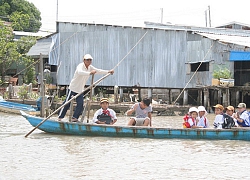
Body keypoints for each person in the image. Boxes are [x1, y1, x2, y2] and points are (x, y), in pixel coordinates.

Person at [58, 54, 114, 122]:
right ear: (84, 60)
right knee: (67, 103)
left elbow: (98, 71)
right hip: (73, 88)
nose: (89, 61)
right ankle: (60, 117)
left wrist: (108, 71)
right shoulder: (80, 66)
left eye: (90, 60)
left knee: (81, 104)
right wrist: (90, 73)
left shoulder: (90, 67)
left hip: (80, 90)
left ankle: (74, 118)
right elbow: (80, 72)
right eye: (87, 60)